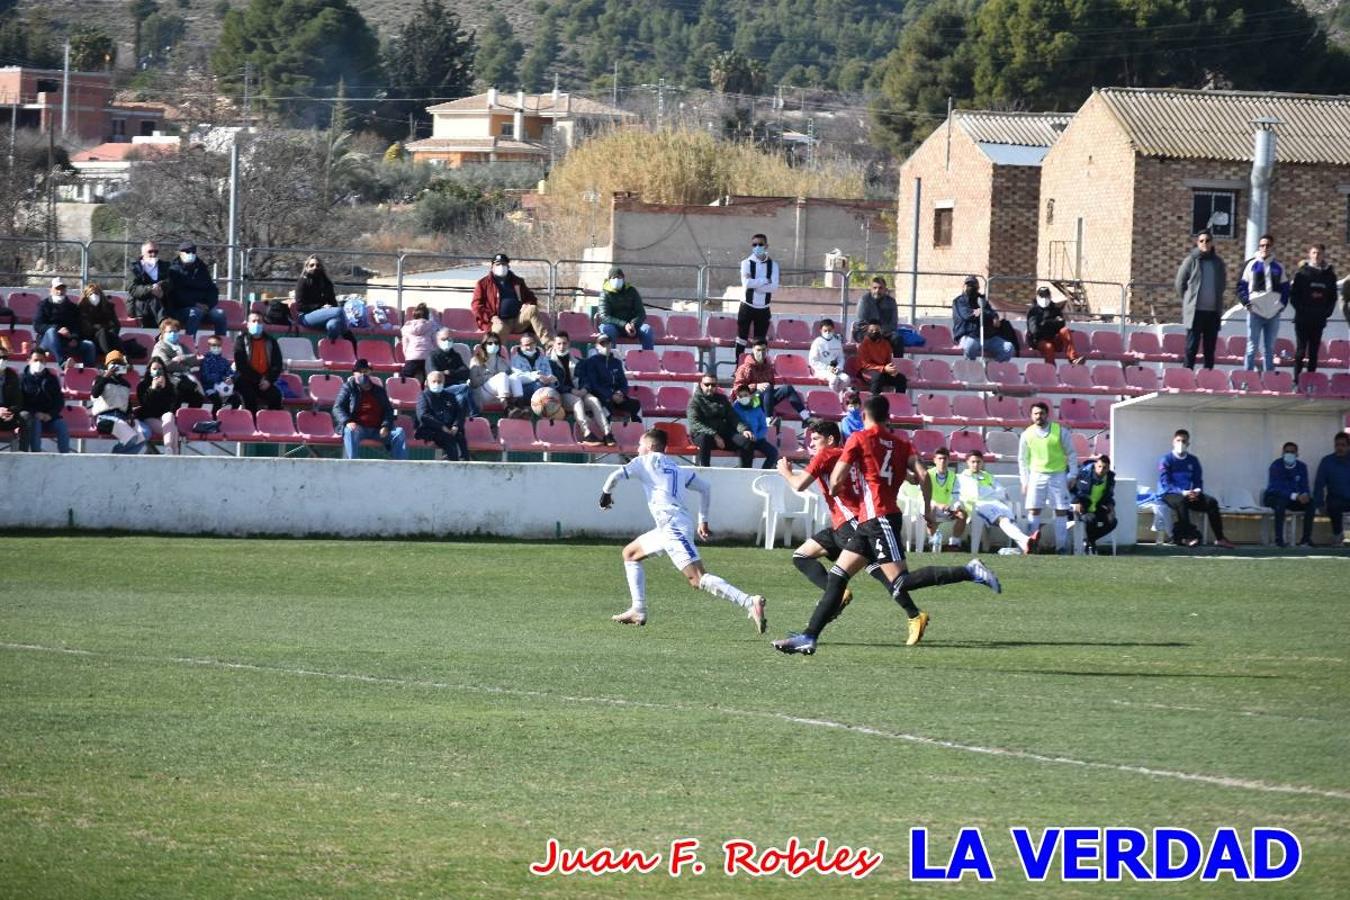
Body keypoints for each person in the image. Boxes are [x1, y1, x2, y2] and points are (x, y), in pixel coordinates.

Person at [772, 395, 1003, 655]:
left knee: (899, 582)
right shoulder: (900, 443)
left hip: (879, 518)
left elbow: (837, 478)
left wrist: (836, 485)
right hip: (867, 521)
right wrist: (928, 511)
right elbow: (922, 477)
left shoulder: (859, 439)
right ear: (888, 417)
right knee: (837, 576)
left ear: (864, 417)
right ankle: (809, 636)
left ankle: (970, 571)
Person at [599, 427, 767, 631]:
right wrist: (703, 520)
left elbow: (616, 475)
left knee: (697, 579)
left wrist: (605, 494)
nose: (637, 448)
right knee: (630, 554)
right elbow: (705, 487)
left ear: (650, 447)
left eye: (640, 445)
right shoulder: (675, 467)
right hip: (670, 526)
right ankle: (638, 609)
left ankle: (749, 601)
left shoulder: (644, 461)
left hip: (673, 527)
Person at [776, 421, 894, 611]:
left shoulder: (826, 455)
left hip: (850, 522)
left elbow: (798, 485)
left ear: (830, 440)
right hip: (843, 524)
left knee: (873, 565)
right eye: (810, 440)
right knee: (801, 556)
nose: (811, 444)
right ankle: (839, 594)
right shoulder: (846, 455)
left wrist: (786, 473)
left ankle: (910, 608)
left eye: (815, 439)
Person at [1158, 428, 1234, 548]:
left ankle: (1220, 538)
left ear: (1188, 444)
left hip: (1189, 494)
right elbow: (1166, 484)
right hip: (1169, 494)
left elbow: (1198, 481)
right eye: (1178, 440)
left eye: (1184, 441)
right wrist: (1183, 492)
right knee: (1181, 501)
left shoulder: (1193, 460)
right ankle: (1187, 537)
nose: (1181, 444)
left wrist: (1197, 492)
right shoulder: (1166, 459)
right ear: (1173, 442)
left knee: (1211, 502)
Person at [1018, 401, 1076, 553]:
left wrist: (1073, 474)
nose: (1039, 416)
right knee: (1034, 510)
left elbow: (1071, 453)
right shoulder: (1027, 434)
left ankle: (1061, 547)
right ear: (1031, 416)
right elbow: (1022, 460)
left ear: (1047, 414)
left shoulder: (1060, 431)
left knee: (1060, 510)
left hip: (1058, 475)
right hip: (1036, 475)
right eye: (1036, 413)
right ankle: (1031, 545)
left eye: (1041, 413)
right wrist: (1024, 481)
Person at [956, 451, 1034, 554]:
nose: (976, 464)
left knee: (1007, 520)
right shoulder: (962, 478)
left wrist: (985, 493)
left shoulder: (988, 476)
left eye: (978, 462)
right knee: (1003, 519)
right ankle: (1026, 541)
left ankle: (1025, 545)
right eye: (973, 462)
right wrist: (989, 492)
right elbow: (974, 495)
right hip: (977, 507)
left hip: (995, 504)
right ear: (967, 463)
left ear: (982, 462)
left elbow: (1001, 492)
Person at [333, 358, 408, 460]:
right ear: (354, 373)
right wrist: (347, 421)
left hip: (378, 430)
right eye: (360, 372)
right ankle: (351, 465)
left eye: (366, 371)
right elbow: (337, 408)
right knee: (349, 431)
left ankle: (401, 468)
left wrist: (385, 426)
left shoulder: (379, 390)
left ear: (370, 372)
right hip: (358, 428)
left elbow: (388, 410)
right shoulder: (348, 388)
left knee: (399, 432)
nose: (363, 374)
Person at [471, 252, 552, 345]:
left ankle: (549, 345)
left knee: (532, 309)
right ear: (492, 267)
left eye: (504, 264)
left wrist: (527, 304)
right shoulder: (483, 284)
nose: (501, 266)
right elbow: (476, 306)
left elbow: (532, 298)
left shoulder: (518, 281)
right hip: (498, 321)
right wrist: (491, 317)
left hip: (517, 320)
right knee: (498, 332)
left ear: (508, 266)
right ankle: (499, 355)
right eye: (498, 264)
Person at [1236, 234, 1288, 372]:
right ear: (1259, 247)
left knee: (1269, 348)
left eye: (1268, 245)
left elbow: (1285, 288)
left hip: (1273, 314)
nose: (1265, 248)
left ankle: (1269, 379)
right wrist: (1247, 304)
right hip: (1255, 312)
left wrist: (1281, 305)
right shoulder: (1251, 264)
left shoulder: (1279, 267)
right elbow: (1241, 287)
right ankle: (1247, 377)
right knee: (1252, 347)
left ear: (1272, 247)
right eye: (1262, 245)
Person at [549, 331, 612, 445]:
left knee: (594, 400)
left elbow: (586, 379)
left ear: (569, 344)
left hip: (579, 392)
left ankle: (608, 434)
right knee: (577, 401)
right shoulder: (549, 362)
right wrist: (572, 391)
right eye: (559, 344)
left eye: (564, 343)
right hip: (562, 395)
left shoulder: (578, 361)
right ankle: (587, 434)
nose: (562, 346)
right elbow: (555, 384)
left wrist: (584, 389)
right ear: (554, 344)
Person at [1175, 230, 1226, 370]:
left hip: (1212, 313)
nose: (1205, 243)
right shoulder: (1191, 260)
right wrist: (1188, 300)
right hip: (1195, 313)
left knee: (1210, 351)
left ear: (1212, 243)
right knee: (1191, 347)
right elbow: (1180, 283)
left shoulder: (1218, 262)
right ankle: (1186, 377)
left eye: (1207, 240)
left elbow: (1222, 284)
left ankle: (1208, 379)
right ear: (1197, 243)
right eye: (1201, 241)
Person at [1288, 244, 1339, 384]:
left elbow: (1333, 297)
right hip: (1302, 318)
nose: (1316, 256)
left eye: (1319, 253)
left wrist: (1326, 313)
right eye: (1314, 253)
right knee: (1300, 351)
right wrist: (1300, 309)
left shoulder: (1329, 275)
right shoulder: (1302, 273)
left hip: (1319, 319)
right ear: (1310, 254)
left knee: (1314, 353)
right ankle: (1296, 381)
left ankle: (1310, 381)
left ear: (1323, 255)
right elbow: (1293, 295)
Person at [731, 338, 806, 423]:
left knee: (787, 388)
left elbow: (771, 385)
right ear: (753, 350)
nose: (761, 353)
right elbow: (738, 389)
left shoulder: (768, 367)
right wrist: (756, 386)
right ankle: (768, 419)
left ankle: (806, 417)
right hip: (750, 401)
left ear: (767, 350)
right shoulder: (745, 368)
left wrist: (765, 389)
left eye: (763, 350)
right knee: (768, 387)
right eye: (758, 350)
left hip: (763, 400)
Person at [686, 375, 753, 467]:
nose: (710, 387)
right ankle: (705, 471)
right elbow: (695, 423)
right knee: (704, 438)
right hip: (702, 436)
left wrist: (744, 429)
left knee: (746, 441)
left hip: (722, 435)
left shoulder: (722, 399)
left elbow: (733, 417)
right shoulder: (694, 401)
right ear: (701, 385)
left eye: (713, 385)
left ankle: (745, 473)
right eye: (707, 384)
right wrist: (714, 435)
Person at [575, 333, 642, 426]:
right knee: (607, 406)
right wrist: (611, 395)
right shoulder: (591, 362)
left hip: (616, 396)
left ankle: (636, 433)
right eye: (602, 344)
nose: (605, 346)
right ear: (597, 346)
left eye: (607, 343)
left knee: (635, 404)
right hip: (602, 396)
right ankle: (607, 435)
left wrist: (620, 392)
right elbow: (594, 384)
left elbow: (623, 382)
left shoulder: (617, 362)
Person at [89, 350, 148, 454]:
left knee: (143, 436)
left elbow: (127, 403)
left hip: (122, 418)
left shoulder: (126, 384)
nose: (116, 366)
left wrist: (130, 416)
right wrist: (105, 377)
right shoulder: (100, 379)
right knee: (131, 437)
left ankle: (124, 461)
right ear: (107, 366)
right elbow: (94, 394)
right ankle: (114, 457)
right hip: (105, 418)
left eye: (119, 364)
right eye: (113, 364)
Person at [167, 241, 225, 338]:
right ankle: (190, 343)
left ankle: (221, 344)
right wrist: (195, 304)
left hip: (205, 308)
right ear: (180, 253)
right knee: (195, 313)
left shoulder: (202, 268)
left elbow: (212, 289)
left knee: (220, 314)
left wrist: (209, 305)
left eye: (193, 252)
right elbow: (176, 294)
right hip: (183, 309)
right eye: (187, 252)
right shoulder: (173, 271)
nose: (191, 254)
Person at [19, 348, 72, 452]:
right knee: (35, 424)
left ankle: (66, 458)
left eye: (42, 360)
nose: (39, 363)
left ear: (45, 361)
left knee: (62, 425)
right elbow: (20, 402)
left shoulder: (52, 379)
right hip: (32, 417)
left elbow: (59, 401)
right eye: (35, 360)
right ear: (29, 360)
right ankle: (37, 455)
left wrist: (50, 414)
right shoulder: (21, 379)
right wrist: (35, 413)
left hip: (49, 418)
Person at [35, 277, 95, 367]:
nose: (60, 291)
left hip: (66, 342)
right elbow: (38, 325)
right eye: (57, 289)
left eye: (62, 288)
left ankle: (87, 372)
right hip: (47, 342)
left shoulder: (72, 307)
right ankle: (62, 363)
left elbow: (77, 326)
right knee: (51, 332)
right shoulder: (43, 305)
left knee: (89, 345)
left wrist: (74, 338)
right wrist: (57, 329)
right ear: (50, 290)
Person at [1263, 442, 1313, 548]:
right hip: (1274, 497)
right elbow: (1278, 488)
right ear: (1282, 453)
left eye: (1292, 452)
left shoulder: (1302, 466)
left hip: (1293, 499)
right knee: (1280, 503)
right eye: (1287, 452)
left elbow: (1304, 484)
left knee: (1311, 503)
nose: (1289, 454)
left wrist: (1305, 494)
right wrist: (1296, 496)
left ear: (1297, 454)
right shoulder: (1276, 465)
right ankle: (1279, 540)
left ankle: (1305, 540)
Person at [737, 233, 779, 357]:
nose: (757, 247)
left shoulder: (774, 265)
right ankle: (738, 367)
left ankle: (757, 368)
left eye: (760, 244)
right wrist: (765, 280)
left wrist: (756, 285)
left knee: (760, 342)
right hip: (747, 306)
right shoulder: (746, 263)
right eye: (754, 244)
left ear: (766, 246)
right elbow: (747, 283)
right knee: (741, 339)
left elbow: (774, 287)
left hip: (764, 308)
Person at [952, 276, 1013, 362]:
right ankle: (972, 370)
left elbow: (992, 313)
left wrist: (989, 314)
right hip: (969, 336)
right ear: (964, 286)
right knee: (970, 346)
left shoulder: (982, 300)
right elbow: (967, 316)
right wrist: (985, 314)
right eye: (968, 285)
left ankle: (992, 369)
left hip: (988, 337)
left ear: (978, 287)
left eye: (973, 285)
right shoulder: (959, 301)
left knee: (1008, 348)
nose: (971, 287)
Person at [232, 312, 283, 412]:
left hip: (265, 380)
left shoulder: (271, 341)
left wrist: (268, 380)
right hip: (245, 379)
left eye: (259, 321)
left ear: (263, 324)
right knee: (249, 397)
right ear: (248, 324)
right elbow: (241, 365)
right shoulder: (241, 340)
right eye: (253, 321)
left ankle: (270, 423)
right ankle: (251, 424)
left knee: (276, 396)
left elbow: (277, 364)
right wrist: (259, 379)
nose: (256, 324)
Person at [295, 255, 352, 345]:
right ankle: (349, 338)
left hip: (325, 315)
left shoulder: (326, 283)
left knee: (334, 325)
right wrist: (321, 307)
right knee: (339, 311)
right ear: (306, 267)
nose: (315, 267)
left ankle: (328, 348)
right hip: (306, 316)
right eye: (312, 265)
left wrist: (329, 307)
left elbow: (333, 303)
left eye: (318, 265)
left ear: (321, 267)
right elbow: (300, 306)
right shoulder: (302, 282)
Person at [414, 369, 468, 461]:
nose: (437, 384)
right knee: (448, 439)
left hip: (449, 428)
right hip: (430, 430)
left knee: (460, 437)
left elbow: (459, 413)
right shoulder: (423, 396)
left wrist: (456, 425)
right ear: (427, 383)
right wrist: (441, 426)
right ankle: (454, 465)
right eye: (434, 381)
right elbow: (423, 416)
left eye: (439, 382)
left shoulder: (450, 396)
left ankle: (465, 463)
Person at [151, 318, 205, 408]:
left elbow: (194, 359)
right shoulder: (159, 347)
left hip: (182, 377)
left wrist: (181, 359)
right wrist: (185, 363)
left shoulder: (181, 346)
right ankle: (172, 417)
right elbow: (166, 364)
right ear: (163, 333)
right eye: (170, 331)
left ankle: (191, 418)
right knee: (178, 392)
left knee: (197, 396)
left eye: (175, 331)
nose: (173, 334)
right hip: (167, 378)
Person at [469, 335, 527, 417]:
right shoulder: (476, 360)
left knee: (514, 377)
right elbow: (474, 382)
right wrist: (491, 377)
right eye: (490, 343)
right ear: (484, 345)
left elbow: (510, 376)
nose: (494, 345)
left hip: (502, 392)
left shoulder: (502, 361)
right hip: (483, 393)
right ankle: (507, 409)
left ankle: (521, 407)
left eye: (496, 343)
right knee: (502, 376)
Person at [597, 266, 653, 350]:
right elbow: (604, 317)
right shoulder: (604, 294)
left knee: (647, 329)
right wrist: (624, 324)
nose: (617, 280)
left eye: (619, 277)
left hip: (631, 327)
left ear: (623, 278)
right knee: (608, 330)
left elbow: (641, 313)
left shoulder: (632, 291)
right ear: (609, 279)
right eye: (614, 277)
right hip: (613, 326)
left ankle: (649, 358)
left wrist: (633, 324)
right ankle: (610, 358)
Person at [1071, 455, 1117, 554]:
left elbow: (1109, 497)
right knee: (1091, 519)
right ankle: (1091, 544)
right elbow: (1074, 490)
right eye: (1099, 466)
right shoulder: (1084, 474)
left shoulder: (1110, 479)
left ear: (1108, 468)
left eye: (1104, 468)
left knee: (1113, 522)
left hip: (1098, 508)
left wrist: (1111, 509)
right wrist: (1077, 502)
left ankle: (1090, 541)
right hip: (1084, 508)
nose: (1101, 470)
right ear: (1095, 465)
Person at [1026, 286, 1083, 365]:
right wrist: (1052, 323)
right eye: (1042, 296)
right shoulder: (1033, 311)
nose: (1045, 298)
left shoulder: (1055, 309)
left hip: (1054, 339)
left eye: (1046, 295)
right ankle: (1051, 369)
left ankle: (1073, 359)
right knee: (1048, 347)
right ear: (1038, 296)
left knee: (1065, 331)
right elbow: (1034, 330)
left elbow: (1061, 323)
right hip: (1040, 341)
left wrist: (1044, 324)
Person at [428, 327, 477, 418]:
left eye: (449, 339)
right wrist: (455, 374)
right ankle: (476, 416)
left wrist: (450, 372)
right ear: (438, 340)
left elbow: (466, 373)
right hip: (440, 390)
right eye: (444, 339)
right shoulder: (432, 356)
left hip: (455, 391)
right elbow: (435, 376)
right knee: (465, 387)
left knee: (462, 398)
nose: (447, 341)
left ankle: (460, 425)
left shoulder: (455, 356)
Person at [135, 358, 181, 454]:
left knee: (169, 416)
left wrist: (164, 389)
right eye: (154, 369)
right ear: (149, 370)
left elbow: (172, 407)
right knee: (174, 430)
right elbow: (145, 405)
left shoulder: (170, 386)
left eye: (160, 369)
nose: (157, 371)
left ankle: (168, 449)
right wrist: (153, 389)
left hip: (164, 417)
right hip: (149, 417)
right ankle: (173, 453)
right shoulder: (142, 385)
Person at [927, 446, 967, 551]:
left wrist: (957, 507)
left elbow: (956, 496)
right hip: (928, 506)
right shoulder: (927, 474)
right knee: (931, 510)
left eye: (945, 458)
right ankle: (932, 541)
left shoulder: (953, 476)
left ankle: (953, 544)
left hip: (946, 508)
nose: (942, 461)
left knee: (962, 514)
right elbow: (924, 496)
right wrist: (937, 504)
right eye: (939, 458)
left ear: (948, 460)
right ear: (934, 460)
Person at [1313, 432, 1350, 545]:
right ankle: (1338, 535)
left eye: (1343, 445)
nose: (1339, 448)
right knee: (1334, 506)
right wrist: (1319, 503)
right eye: (1337, 445)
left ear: (1349, 446)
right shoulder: (1327, 461)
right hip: (1335, 499)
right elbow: (1319, 484)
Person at [731, 383, 779, 469]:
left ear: (750, 395)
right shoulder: (734, 409)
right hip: (743, 440)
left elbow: (763, 427)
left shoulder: (757, 408)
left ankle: (762, 473)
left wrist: (756, 436)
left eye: (745, 395)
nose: (743, 398)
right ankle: (744, 474)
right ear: (737, 398)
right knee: (746, 453)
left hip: (758, 439)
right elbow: (733, 425)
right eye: (740, 396)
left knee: (773, 453)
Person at [852, 277, 904, 353]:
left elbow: (893, 324)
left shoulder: (891, 302)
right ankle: (869, 364)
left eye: (880, 288)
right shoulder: (864, 300)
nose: (877, 291)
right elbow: (862, 324)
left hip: (885, 332)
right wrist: (874, 330)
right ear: (871, 289)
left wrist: (880, 330)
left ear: (885, 290)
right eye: (875, 288)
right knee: (872, 337)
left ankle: (898, 363)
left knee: (898, 339)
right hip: (866, 332)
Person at [855, 320, 907, 395]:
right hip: (867, 372)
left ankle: (899, 403)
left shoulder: (885, 343)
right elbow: (864, 365)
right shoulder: (863, 345)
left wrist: (891, 370)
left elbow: (888, 361)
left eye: (877, 330)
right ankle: (874, 401)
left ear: (881, 330)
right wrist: (883, 368)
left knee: (901, 379)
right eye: (871, 330)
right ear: (867, 331)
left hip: (884, 371)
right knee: (878, 377)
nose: (874, 332)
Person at [127, 240, 170, 327]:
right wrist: (150, 289)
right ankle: (163, 325)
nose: (153, 254)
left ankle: (163, 326)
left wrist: (160, 287)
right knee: (153, 299)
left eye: (156, 251)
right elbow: (133, 288)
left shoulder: (165, 266)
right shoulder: (134, 268)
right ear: (143, 253)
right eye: (150, 251)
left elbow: (170, 282)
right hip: (139, 303)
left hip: (162, 301)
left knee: (157, 301)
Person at [77, 282, 121, 360]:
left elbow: (116, 325)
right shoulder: (81, 308)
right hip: (90, 337)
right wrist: (101, 327)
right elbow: (86, 328)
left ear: (100, 294)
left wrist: (110, 332)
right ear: (86, 296)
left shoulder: (108, 307)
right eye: (90, 294)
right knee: (103, 332)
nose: (94, 296)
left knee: (113, 337)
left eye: (96, 293)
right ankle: (111, 359)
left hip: (108, 336)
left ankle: (121, 360)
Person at [509, 331, 559, 398]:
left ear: (535, 344)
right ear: (521, 345)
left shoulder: (543, 358)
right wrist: (537, 376)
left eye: (531, 344)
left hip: (542, 385)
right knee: (539, 385)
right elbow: (519, 377)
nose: (529, 347)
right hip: (524, 389)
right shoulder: (515, 359)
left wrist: (549, 378)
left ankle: (547, 406)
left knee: (553, 384)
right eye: (526, 345)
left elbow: (548, 372)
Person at [198, 333, 238, 413]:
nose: (216, 347)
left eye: (219, 345)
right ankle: (213, 420)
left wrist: (230, 378)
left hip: (224, 388)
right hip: (210, 388)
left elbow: (230, 372)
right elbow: (206, 377)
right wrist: (222, 378)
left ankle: (231, 418)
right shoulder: (205, 361)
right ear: (208, 346)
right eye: (213, 345)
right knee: (217, 401)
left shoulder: (224, 361)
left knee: (236, 399)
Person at [808, 318, 850, 394]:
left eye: (829, 330)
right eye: (825, 330)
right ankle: (833, 397)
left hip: (834, 370)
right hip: (820, 370)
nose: (827, 332)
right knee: (834, 379)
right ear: (821, 331)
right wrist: (827, 368)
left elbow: (841, 357)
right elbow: (813, 361)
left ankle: (835, 395)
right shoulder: (817, 342)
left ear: (833, 330)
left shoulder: (837, 342)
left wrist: (839, 367)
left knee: (846, 379)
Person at [399, 303, 438, 382]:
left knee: (404, 379)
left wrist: (408, 355)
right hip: (428, 356)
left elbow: (405, 345)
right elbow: (435, 342)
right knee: (430, 378)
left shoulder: (406, 328)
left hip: (412, 357)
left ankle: (403, 393)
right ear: (427, 315)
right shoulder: (432, 326)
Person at [0, 336, 21, 441]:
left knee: (26, 417)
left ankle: (23, 454)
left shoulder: (12, 375)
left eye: (4, 358)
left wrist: (10, 412)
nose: (2, 360)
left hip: (8, 416)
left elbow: (18, 400)